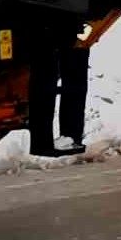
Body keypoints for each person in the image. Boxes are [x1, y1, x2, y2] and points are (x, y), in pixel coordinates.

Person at [27, 11, 89, 156]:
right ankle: (61, 138)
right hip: (61, 18)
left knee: (48, 75)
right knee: (64, 74)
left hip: (47, 22)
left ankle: (47, 140)